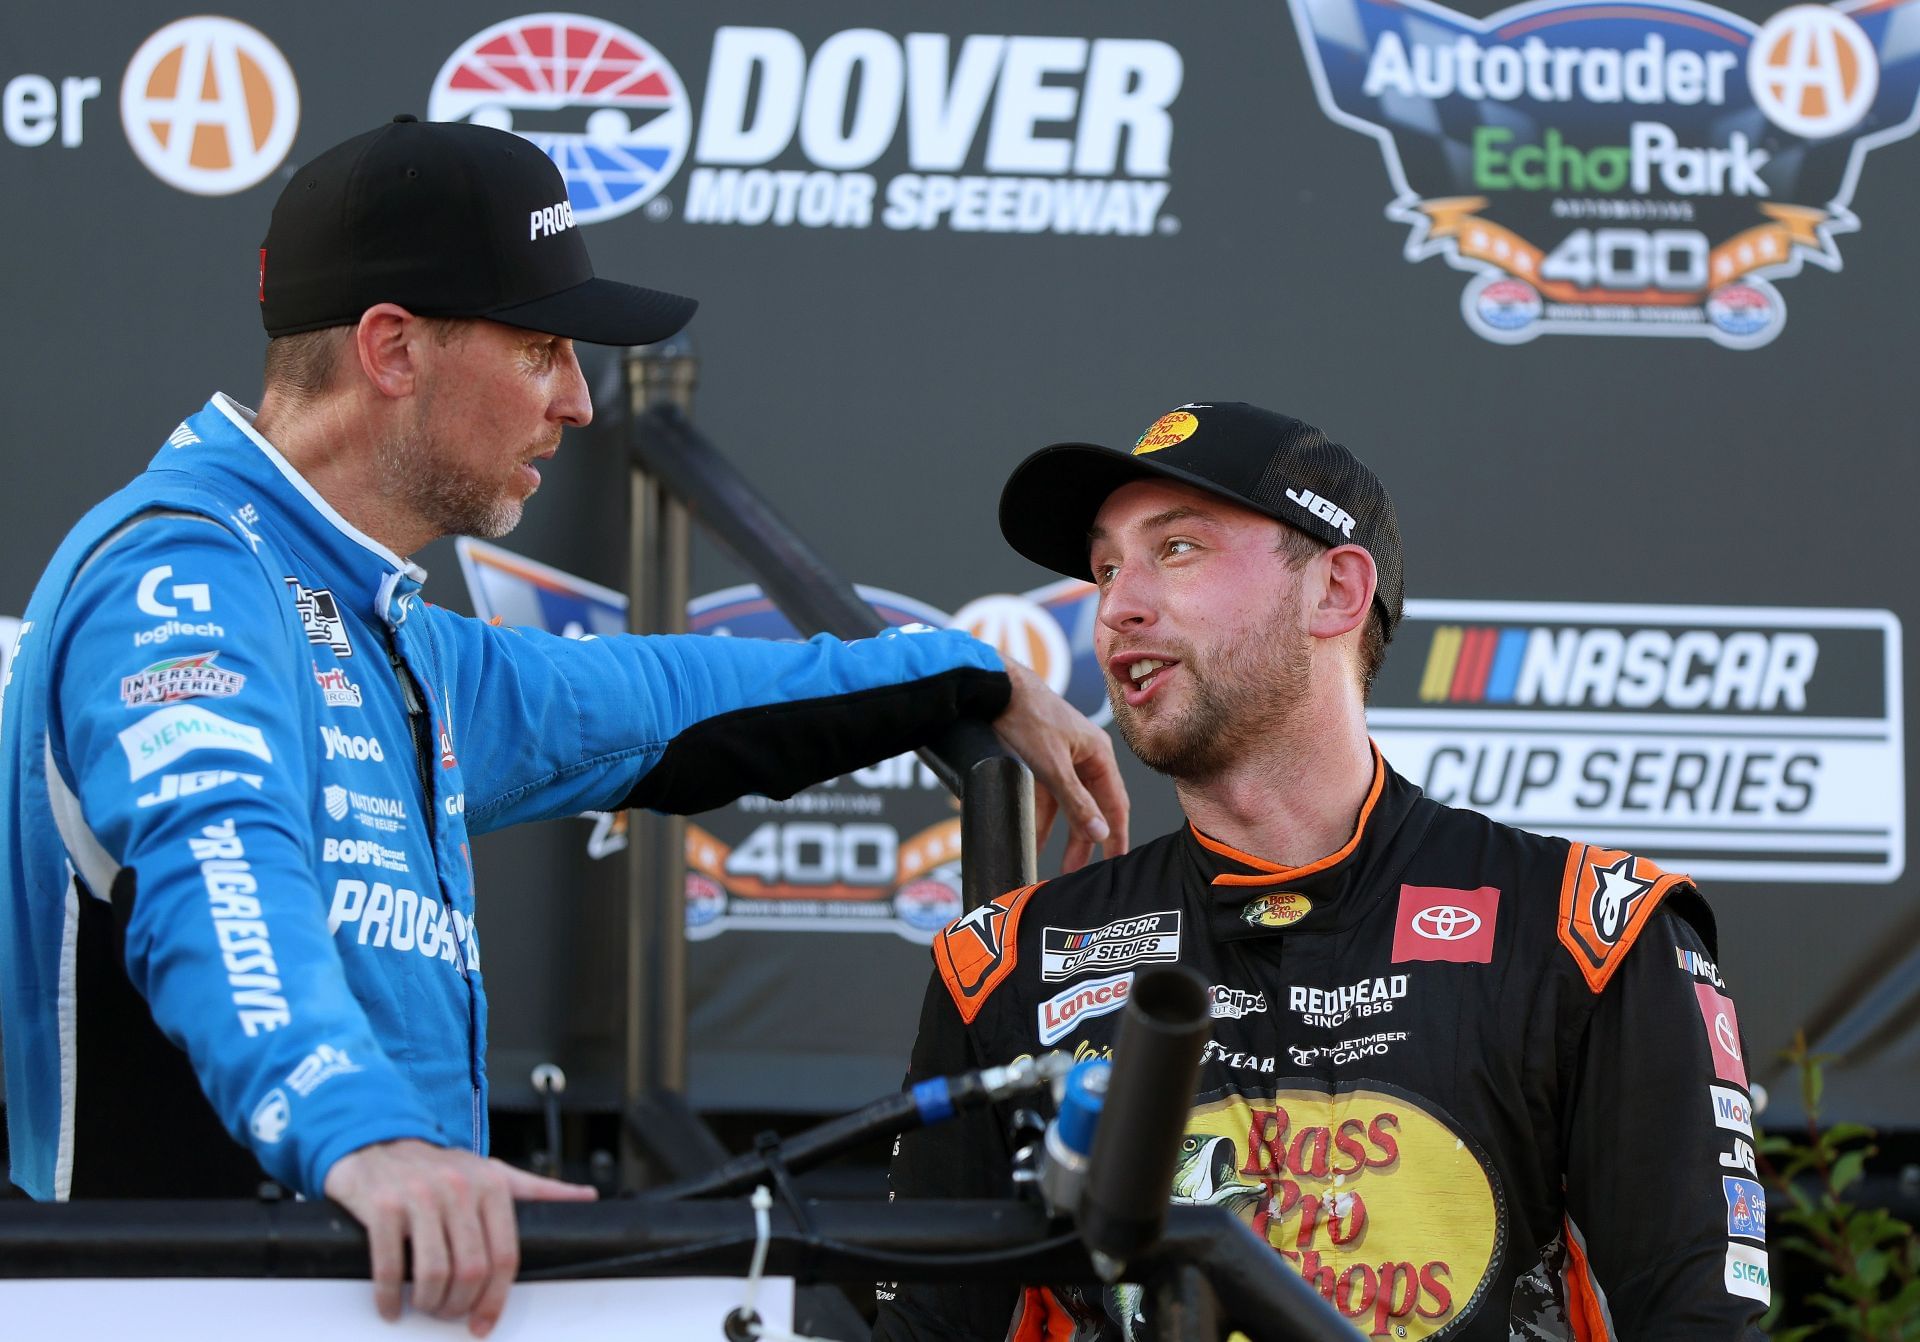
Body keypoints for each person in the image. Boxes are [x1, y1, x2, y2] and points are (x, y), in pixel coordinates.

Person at [0, 117, 1128, 1338]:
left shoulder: (388, 630)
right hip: (171, 1304)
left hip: (370, 1293)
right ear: (393, 350)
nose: (581, 401)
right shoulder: (183, 573)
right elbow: (220, 871)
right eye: (541, 349)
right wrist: (364, 1134)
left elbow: (670, 701)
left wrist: (962, 674)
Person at [875, 402, 1767, 1339]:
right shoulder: (1006, 963)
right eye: (1105, 569)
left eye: (1176, 549)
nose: (1116, 607)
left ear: (1336, 590)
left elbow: (1700, 1322)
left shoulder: (1589, 933)